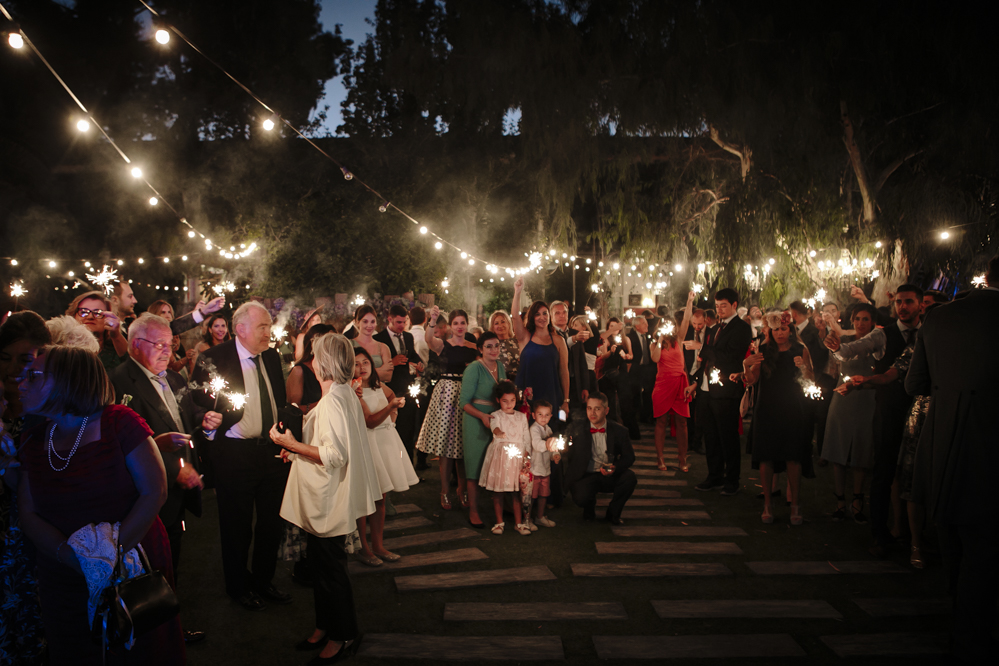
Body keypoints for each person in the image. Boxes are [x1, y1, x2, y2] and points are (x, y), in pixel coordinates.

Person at [17, 345, 183, 664]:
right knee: (75, 648)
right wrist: (71, 556)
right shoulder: (34, 439)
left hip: (129, 564)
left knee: (138, 649)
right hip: (62, 574)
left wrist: (106, 556)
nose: (22, 383)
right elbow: (29, 513)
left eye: (34, 375)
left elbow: (155, 491)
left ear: (69, 380)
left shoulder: (118, 421)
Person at [905, 256, 999, 663]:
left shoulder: (940, 317)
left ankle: (960, 626)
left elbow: (916, 382)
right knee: (986, 551)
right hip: (990, 446)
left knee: (955, 543)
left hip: (942, 443)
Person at [109, 312, 223, 645]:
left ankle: (168, 625)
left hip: (177, 495)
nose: (165, 351)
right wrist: (175, 468)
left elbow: (185, 417)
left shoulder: (173, 379)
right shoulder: (120, 381)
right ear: (134, 345)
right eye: (157, 345)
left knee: (172, 562)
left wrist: (205, 420)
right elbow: (125, 443)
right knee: (147, 567)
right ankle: (150, 632)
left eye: (169, 344)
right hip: (145, 495)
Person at [270, 333, 379, 664]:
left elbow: (335, 454)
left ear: (323, 362)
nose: (312, 362)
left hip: (329, 498)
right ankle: (324, 625)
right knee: (321, 567)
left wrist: (290, 444)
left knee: (331, 570)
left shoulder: (333, 400)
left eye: (315, 356)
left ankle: (343, 634)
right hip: (329, 492)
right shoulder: (343, 392)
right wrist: (299, 454)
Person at [192, 301, 292, 611]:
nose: (269, 332)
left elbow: (279, 400)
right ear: (241, 329)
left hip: (272, 453)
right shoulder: (214, 358)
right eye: (263, 327)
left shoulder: (273, 357)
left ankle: (263, 580)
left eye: (268, 326)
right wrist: (212, 416)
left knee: (271, 524)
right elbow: (197, 397)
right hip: (234, 454)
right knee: (236, 526)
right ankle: (237, 586)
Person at [0, 312, 51, 665]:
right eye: (4, 358)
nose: (13, 369)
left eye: (25, 360)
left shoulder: (48, 417)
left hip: (34, 542)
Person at [741, 311, 814, 525]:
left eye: (783, 329)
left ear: (790, 330)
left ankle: (795, 506)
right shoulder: (763, 350)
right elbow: (752, 380)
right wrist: (746, 365)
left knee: (793, 457)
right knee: (766, 457)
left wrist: (804, 367)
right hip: (767, 407)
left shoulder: (801, 349)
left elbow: (810, 379)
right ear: (769, 331)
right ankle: (768, 505)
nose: (780, 333)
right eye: (776, 329)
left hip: (792, 407)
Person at [354, 347, 419, 566]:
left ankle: (378, 545)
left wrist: (394, 413)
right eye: (356, 363)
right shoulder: (353, 390)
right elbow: (369, 421)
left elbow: (392, 396)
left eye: (365, 362)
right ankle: (363, 547)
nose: (361, 367)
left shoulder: (378, 385)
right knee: (365, 499)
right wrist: (390, 407)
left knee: (381, 497)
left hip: (384, 442)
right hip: (367, 444)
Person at [511, 278, 569, 505]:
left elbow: (564, 371)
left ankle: (552, 494)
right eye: (538, 314)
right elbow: (514, 316)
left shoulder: (558, 340)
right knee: (528, 444)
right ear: (532, 317)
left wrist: (565, 400)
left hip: (552, 397)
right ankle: (525, 492)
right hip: (528, 400)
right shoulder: (525, 337)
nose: (542, 317)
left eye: (545, 313)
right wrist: (518, 291)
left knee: (551, 443)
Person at [822, 303, 881, 523]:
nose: (860, 323)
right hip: (842, 398)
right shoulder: (843, 343)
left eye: (865, 319)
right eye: (857, 319)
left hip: (867, 399)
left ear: (872, 322)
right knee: (838, 447)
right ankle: (839, 500)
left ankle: (857, 499)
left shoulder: (878, 344)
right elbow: (833, 367)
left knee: (861, 450)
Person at [415, 307, 479, 510]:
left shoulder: (473, 346)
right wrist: (432, 320)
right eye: (456, 323)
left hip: (466, 393)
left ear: (466, 325)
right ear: (450, 326)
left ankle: (463, 489)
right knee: (446, 448)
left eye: (462, 323)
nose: (459, 327)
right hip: (446, 394)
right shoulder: (443, 345)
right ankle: (444, 490)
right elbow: (428, 339)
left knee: (463, 446)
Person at [694, 288, 753, 496]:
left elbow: (730, 357)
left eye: (724, 306)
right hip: (707, 388)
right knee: (710, 436)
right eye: (717, 306)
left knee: (727, 437)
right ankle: (714, 475)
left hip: (726, 389)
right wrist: (696, 381)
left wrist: (701, 347)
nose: (719, 310)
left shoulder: (742, 328)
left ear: (734, 305)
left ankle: (732, 479)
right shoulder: (714, 328)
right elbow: (708, 360)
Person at [565, 393, 636, 525]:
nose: (592, 413)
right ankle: (589, 507)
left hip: (609, 475)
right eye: (589, 408)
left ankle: (613, 513)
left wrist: (615, 468)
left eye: (597, 409)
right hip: (586, 474)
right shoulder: (577, 428)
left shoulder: (619, 431)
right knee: (581, 498)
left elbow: (630, 457)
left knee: (630, 478)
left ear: (606, 410)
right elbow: (563, 439)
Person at [459, 332, 506, 528]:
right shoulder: (474, 369)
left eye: (496, 345)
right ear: (480, 349)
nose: (494, 350)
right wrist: (482, 416)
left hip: (495, 419)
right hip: (475, 419)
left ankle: (500, 507)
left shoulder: (501, 367)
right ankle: (473, 510)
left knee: (495, 462)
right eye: (489, 346)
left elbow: (504, 392)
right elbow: (464, 403)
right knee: (474, 466)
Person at [478, 380, 532, 536]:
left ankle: (518, 523)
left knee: (516, 492)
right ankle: (499, 522)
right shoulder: (496, 415)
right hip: (501, 459)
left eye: (512, 400)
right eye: (505, 401)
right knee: (499, 491)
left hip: (517, 459)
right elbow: (494, 427)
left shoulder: (522, 417)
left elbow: (526, 437)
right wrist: (498, 432)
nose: (509, 404)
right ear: (498, 400)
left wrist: (527, 454)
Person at [650, 291, 697, 472]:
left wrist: (689, 300)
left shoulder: (679, 339)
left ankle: (682, 458)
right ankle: (660, 458)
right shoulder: (655, 343)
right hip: (662, 385)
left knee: (682, 422)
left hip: (679, 383)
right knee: (661, 421)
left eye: (671, 325)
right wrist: (660, 339)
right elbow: (655, 359)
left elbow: (686, 320)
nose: (669, 327)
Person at [373, 305, 423, 459]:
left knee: (408, 430)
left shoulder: (408, 337)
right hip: (388, 390)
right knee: (391, 430)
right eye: (399, 322)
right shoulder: (378, 339)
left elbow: (413, 356)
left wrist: (419, 363)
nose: (402, 326)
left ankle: (408, 467)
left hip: (407, 389)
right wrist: (392, 362)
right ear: (390, 319)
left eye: (404, 322)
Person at [67, 290, 128, 370]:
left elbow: (133, 365)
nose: (90, 317)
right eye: (83, 312)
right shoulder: (62, 347)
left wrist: (116, 335)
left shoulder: (116, 349)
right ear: (73, 315)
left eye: (98, 313)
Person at [287, 324, 337, 415]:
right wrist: (326, 401)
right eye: (329, 342)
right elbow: (294, 408)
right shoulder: (299, 371)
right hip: (309, 424)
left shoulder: (334, 368)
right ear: (313, 344)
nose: (333, 346)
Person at [147, 300, 198, 379]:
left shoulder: (174, 339)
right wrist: (198, 313)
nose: (167, 315)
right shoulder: (152, 336)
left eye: (169, 312)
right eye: (163, 312)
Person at [529, 400, 560, 528]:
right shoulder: (534, 429)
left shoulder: (549, 429)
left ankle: (540, 517)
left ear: (551, 416)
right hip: (534, 470)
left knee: (543, 495)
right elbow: (537, 445)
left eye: (547, 415)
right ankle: (527, 519)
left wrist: (555, 455)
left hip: (545, 469)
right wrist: (548, 445)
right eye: (540, 414)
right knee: (531, 496)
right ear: (533, 415)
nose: (543, 418)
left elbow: (553, 447)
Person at [682, 309, 708, 455]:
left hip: (703, 373)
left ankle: (698, 441)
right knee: (689, 411)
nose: (697, 327)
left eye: (699, 324)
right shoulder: (687, 333)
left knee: (702, 411)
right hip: (689, 373)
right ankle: (690, 441)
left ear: (705, 320)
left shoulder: (710, 333)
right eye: (694, 323)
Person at [350, 305, 394, 384]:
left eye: (372, 321)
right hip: (357, 392)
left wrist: (363, 374)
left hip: (380, 391)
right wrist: (381, 370)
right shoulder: (349, 345)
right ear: (357, 322)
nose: (369, 325)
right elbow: (350, 374)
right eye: (365, 321)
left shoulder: (383, 347)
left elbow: (388, 376)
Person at [488, 310, 520, 381]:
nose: (500, 326)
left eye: (503, 322)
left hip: (518, 381)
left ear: (509, 324)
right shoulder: (490, 345)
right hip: (498, 383)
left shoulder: (518, 342)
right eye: (496, 323)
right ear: (492, 327)